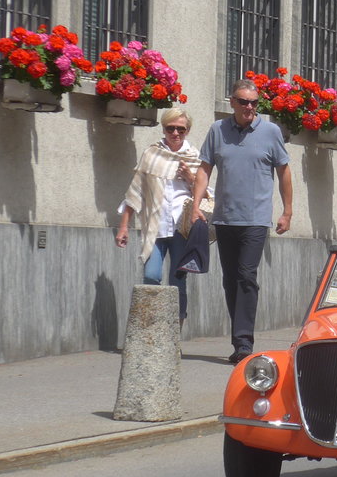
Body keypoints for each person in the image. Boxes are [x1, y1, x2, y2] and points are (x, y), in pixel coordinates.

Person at [191, 79, 292, 364]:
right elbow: (204, 168)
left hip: (256, 220)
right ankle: (239, 342)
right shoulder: (217, 130)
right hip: (225, 219)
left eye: (254, 103)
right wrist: (195, 205)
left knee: (247, 276)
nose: (249, 107)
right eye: (243, 102)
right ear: (232, 102)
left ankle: (244, 343)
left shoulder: (271, 132)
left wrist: (287, 211)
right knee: (230, 280)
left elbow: (284, 172)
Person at [115, 108, 203, 326]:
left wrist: (191, 178)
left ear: (187, 130)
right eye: (170, 128)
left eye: (180, 129)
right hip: (155, 226)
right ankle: (148, 330)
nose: (175, 133)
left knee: (177, 281)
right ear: (163, 129)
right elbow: (135, 192)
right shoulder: (152, 154)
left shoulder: (194, 157)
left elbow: (205, 195)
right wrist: (123, 227)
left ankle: (174, 335)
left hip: (182, 228)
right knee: (152, 276)